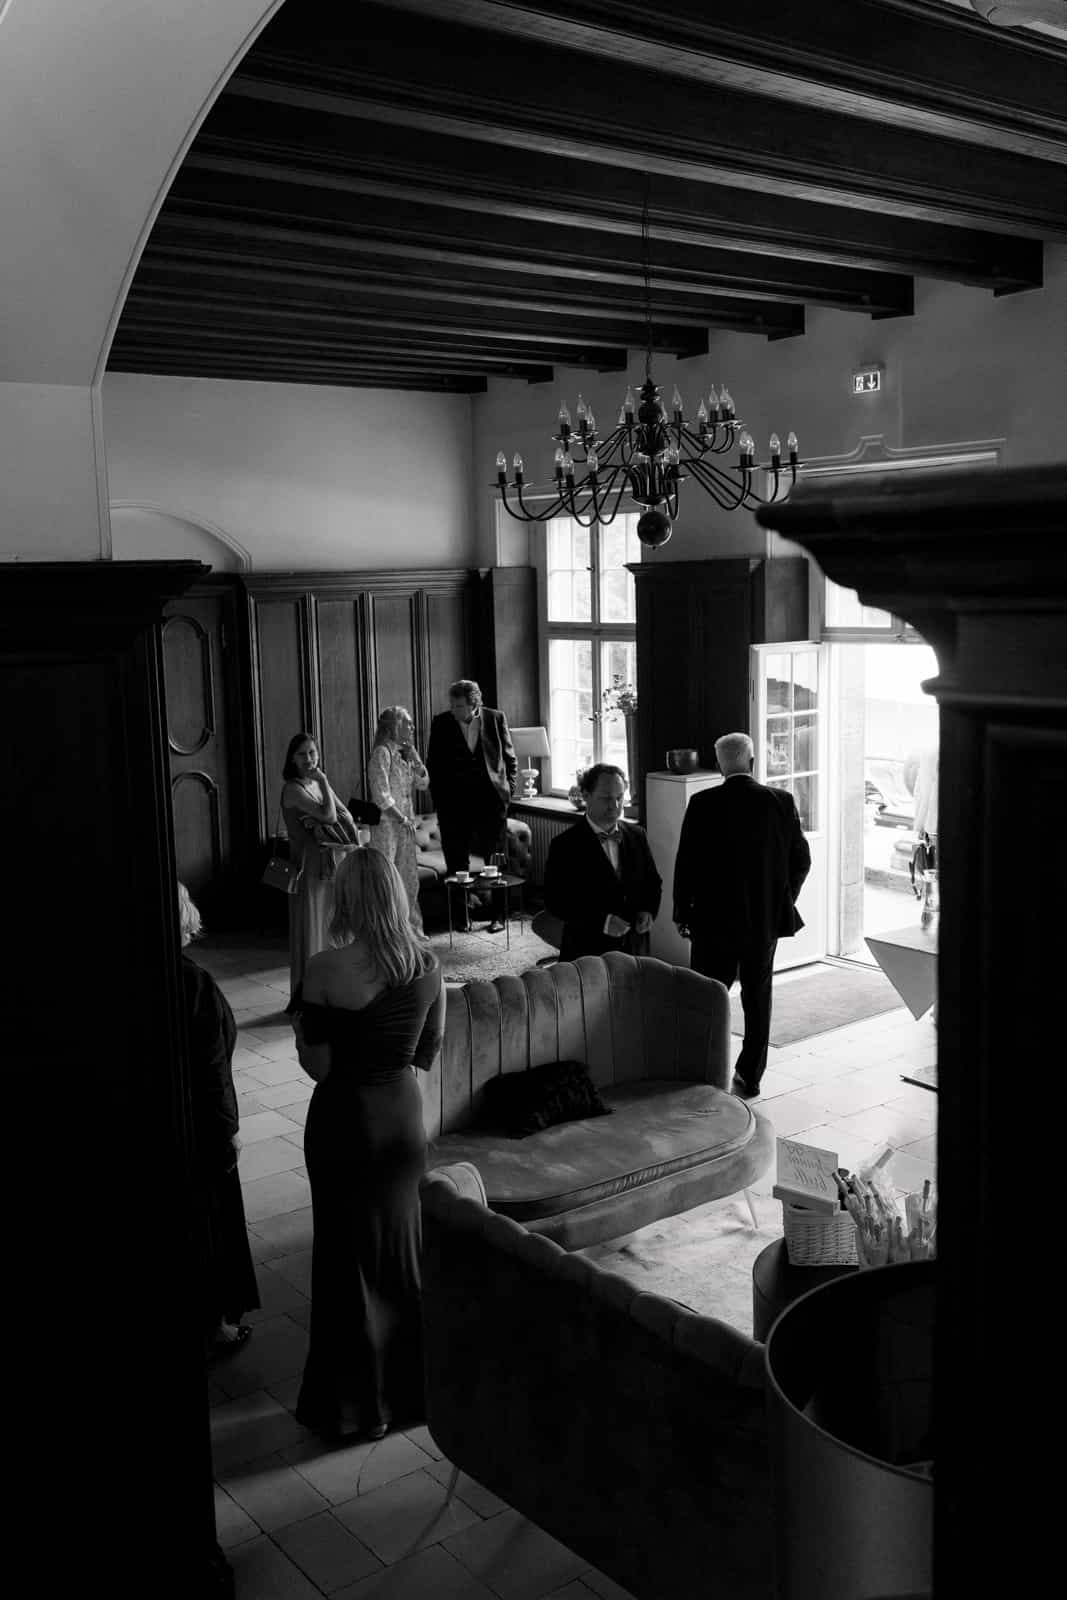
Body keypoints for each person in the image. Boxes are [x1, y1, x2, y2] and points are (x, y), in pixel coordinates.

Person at [291, 849, 445, 1441]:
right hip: (403, 1119)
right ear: (398, 895)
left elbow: (319, 1068)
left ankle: (358, 1407)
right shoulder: (428, 964)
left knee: (344, 1258)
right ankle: (411, 1393)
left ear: (347, 900)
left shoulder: (324, 968)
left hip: (346, 1119)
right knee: (400, 1253)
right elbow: (427, 1053)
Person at [673, 732, 811, 1100]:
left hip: (711, 921)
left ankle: (705, 1068)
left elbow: (686, 863)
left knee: (708, 996)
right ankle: (750, 1075)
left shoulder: (702, 803)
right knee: (757, 997)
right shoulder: (780, 802)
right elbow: (801, 860)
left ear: (720, 765)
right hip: (761, 921)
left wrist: (680, 912)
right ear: (751, 763)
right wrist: (782, 900)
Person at [178, 881, 260, 1355]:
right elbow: (213, 1072)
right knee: (208, 1220)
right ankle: (213, 1327)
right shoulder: (193, 984)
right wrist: (227, 1131)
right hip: (195, 1129)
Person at [543, 763, 662, 962]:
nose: (615, 806)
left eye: (619, 798)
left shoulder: (637, 835)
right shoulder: (564, 845)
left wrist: (648, 910)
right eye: (606, 798)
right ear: (586, 795)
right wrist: (603, 922)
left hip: (634, 949)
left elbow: (653, 882)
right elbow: (555, 901)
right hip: (587, 952)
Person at [426, 678, 517, 932]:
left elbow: (510, 759)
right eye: (452, 705)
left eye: (458, 706)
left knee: (496, 860)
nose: (453, 710)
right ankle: (461, 916)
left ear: (473, 704)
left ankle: (499, 916)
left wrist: (508, 791)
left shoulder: (496, 719)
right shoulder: (442, 722)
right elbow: (433, 763)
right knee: (456, 863)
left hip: (491, 803)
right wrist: (440, 799)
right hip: (454, 806)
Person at [281, 731, 360, 1005]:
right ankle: (308, 998)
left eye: (313, 753)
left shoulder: (315, 785)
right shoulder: (293, 788)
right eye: (302, 754)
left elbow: (345, 814)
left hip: (330, 863)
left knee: (332, 926)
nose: (309, 759)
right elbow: (329, 814)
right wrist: (324, 781)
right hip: (308, 868)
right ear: (292, 758)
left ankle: (333, 992)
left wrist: (324, 789)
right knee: (312, 928)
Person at [366, 705, 430, 933]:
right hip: (387, 826)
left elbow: (423, 784)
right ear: (395, 726)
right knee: (386, 879)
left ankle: (411, 931)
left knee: (408, 879)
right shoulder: (381, 753)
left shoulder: (404, 755)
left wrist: (416, 757)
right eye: (407, 724)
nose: (412, 727)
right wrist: (401, 818)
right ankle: (384, 932)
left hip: (406, 825)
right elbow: (381, 795)